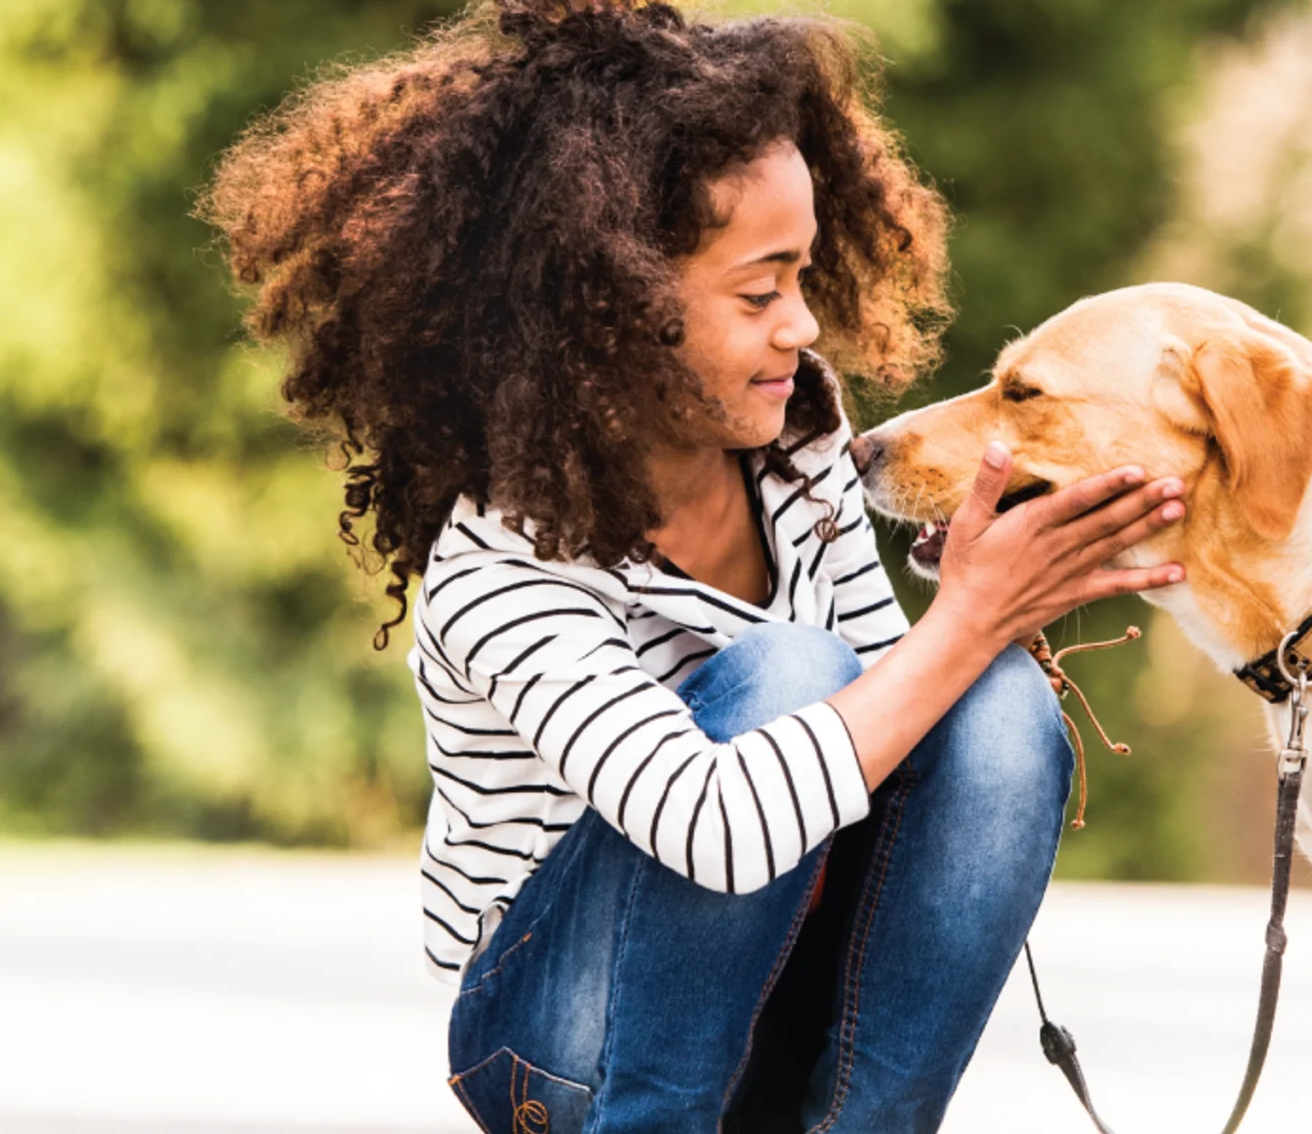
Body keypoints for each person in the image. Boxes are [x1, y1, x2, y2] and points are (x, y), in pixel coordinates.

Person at [199, 1, 1186, 1128]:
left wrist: (990, 611)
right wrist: (961, 623)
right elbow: (712, 825)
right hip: (554, 1039)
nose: (804, 327)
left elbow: (895, 720)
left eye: (806, 278)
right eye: (760, 292)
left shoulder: (796, 442)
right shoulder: (499, 564)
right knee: (789, 674)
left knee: (998, 705)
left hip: (774, 987)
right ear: (607, 310)